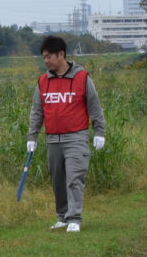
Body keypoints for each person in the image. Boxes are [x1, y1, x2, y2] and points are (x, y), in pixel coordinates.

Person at [25, 35, 107, 233]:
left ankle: (75, 218)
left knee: (74, 178)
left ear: (61, 55)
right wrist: (32, 136)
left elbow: (94, 106)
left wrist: (99, 131)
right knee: (58, 180)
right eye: (43, 57)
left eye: (49, 56)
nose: (45, 61)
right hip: (53, 139)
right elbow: (37, 111)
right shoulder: (43, 81)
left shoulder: (82, 77)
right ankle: (62, 216)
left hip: (76, 137)